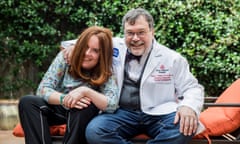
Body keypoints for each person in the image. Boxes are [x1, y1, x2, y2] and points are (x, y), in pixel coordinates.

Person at [64, 8, 204, 144]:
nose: (135, 38)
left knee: (184, 128)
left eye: (141, 32)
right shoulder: (114, 46)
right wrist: (72, 47)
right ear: (124, 33)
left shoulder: (172, 58)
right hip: (121, 113)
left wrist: (188, 107)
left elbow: (192, 88)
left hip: (159, 113)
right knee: (95, 131)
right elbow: (87, 41)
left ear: (152, 32)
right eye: (130, 33)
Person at [18, 26, 119, 144]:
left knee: (86, 103)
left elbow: (112, 104)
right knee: (27, 102)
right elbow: (43, 89)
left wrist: (85, 92)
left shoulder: (106, 69)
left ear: (102, 55)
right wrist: (66, 99)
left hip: (82, 113)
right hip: (59, 105)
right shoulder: (66, 57)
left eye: (95, 50)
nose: (87, 53)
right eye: (85, 47)